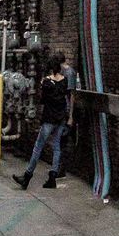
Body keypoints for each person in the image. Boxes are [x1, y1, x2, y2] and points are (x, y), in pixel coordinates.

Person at [15, 56, 71, 190]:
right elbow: (65, 97)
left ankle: (27, 177)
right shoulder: (64, 81)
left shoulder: (46, 82)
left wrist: (42, 84)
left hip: (49, 119)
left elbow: (43, 100)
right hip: (61, 118)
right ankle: (52, 178)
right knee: (57, 147)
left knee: (38, 147)